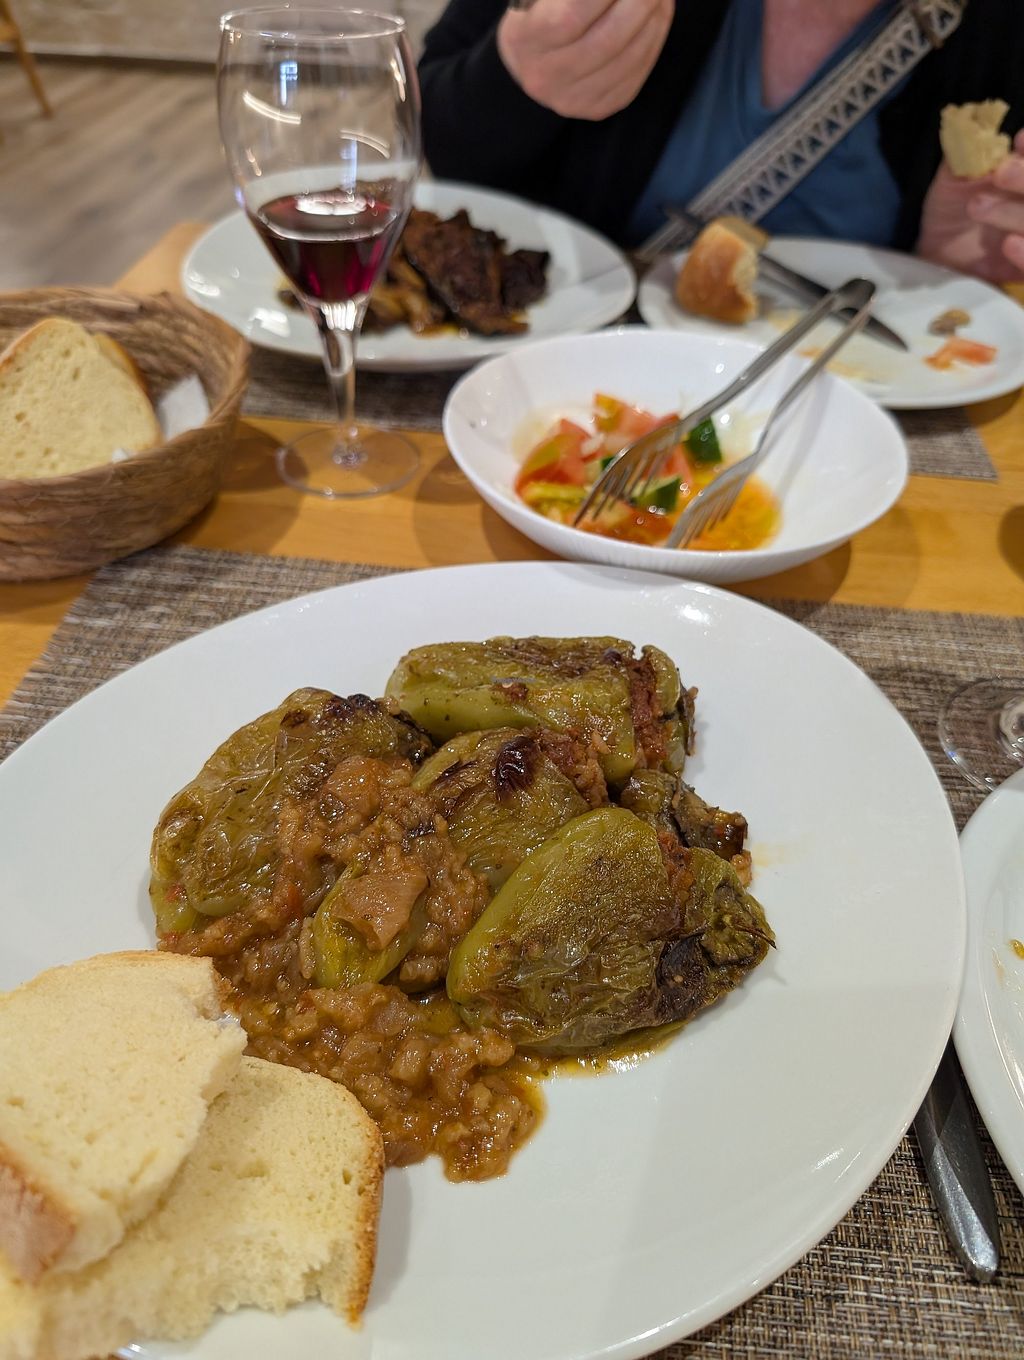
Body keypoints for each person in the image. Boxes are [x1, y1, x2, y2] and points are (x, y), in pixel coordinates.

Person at [418, 0, 1024, 282]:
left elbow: (968, 296)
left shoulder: (1000, 32)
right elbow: (439, 138)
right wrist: (516, 77)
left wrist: (942, 269)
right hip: (572, 371)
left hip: (865, 402)